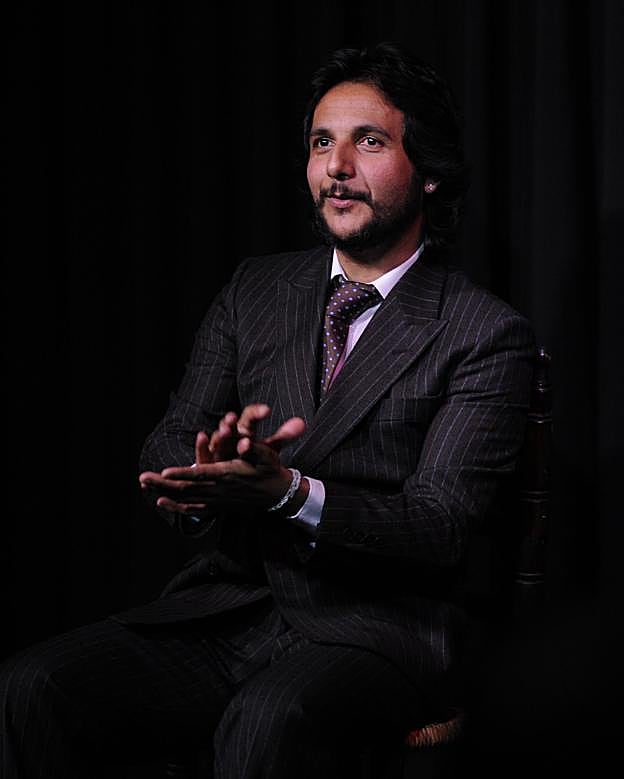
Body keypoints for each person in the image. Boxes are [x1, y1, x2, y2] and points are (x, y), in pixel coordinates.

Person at [0, 42, 536, 778]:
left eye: (368, 142)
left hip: (379, 627)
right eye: (321, 143)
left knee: (266, 722)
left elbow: (439, 524)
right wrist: (205, 477)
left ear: (430, 170)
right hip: (231, 607)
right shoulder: (255, 289)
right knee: (33, 685)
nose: (335, 167)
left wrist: (288, 493)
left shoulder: (482, 330)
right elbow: (171, 439)